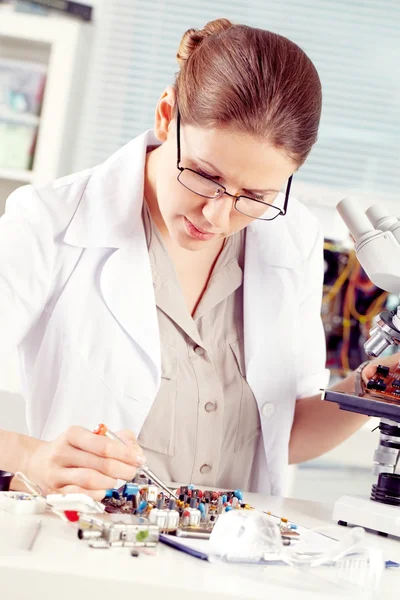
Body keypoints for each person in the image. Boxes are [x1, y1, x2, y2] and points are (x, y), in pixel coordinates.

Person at [0, 18, 398, 500]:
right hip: (87, 544)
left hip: (233, 557)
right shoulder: (50, 220)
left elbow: (281, 437)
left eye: (255, 194)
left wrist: (375, 385)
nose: (218, 214)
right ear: (167, 115)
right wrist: (30, 457)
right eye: (205, 175)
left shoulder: (291, 239)